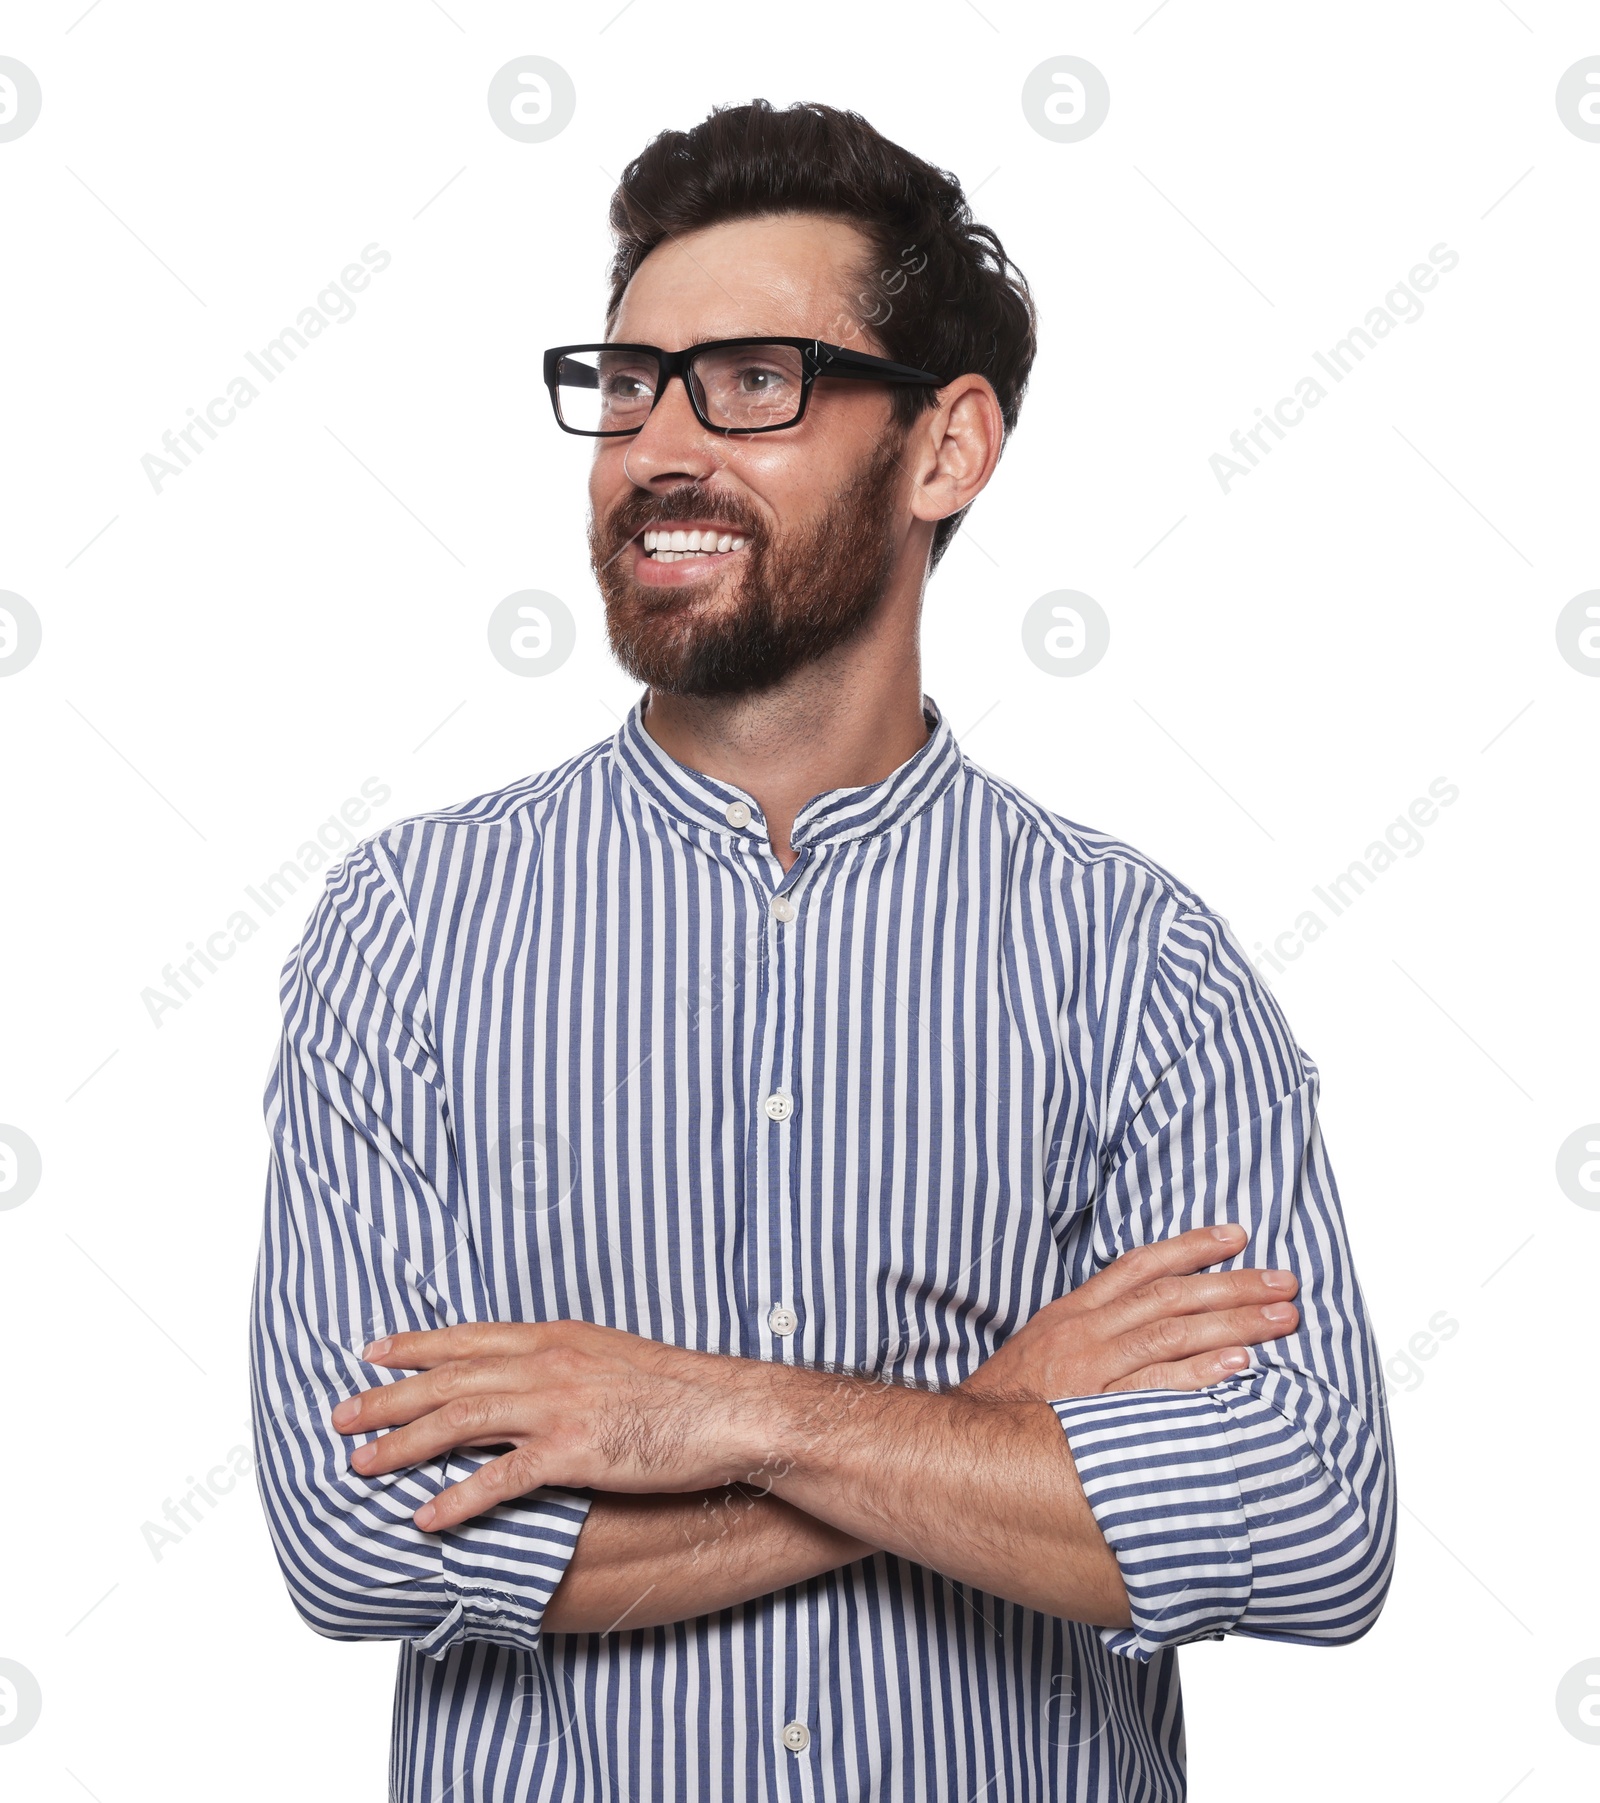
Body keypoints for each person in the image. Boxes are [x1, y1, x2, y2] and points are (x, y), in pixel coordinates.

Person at [249, 99, 1394, 1802]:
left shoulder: (1140, 963)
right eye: (629, 386)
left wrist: (715, 1414)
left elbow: (1302, 1525)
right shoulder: (410, 934)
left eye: (755, 381)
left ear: (947, 449)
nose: (656, 446)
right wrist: (995, 1409)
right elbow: (366, 1538)